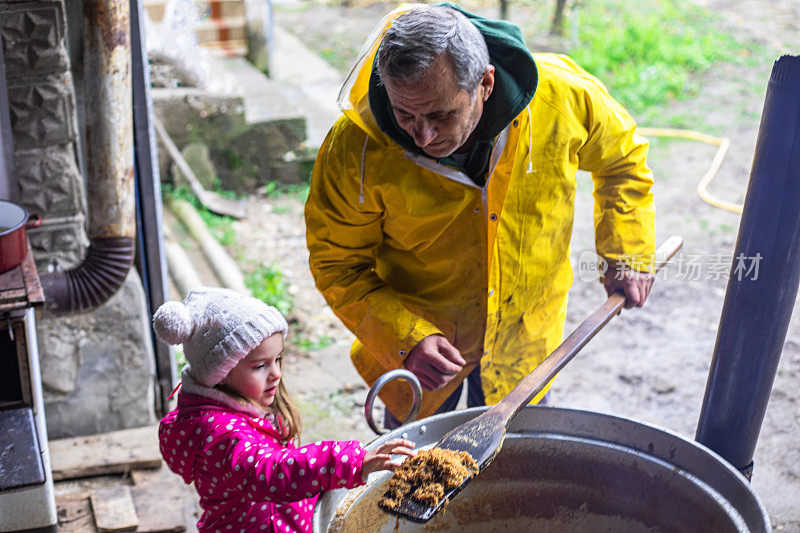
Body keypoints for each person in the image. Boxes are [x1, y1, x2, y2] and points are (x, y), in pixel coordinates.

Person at [304, 3, 656, 428]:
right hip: (421, 364)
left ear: (485, 83)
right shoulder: (355, 148)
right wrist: (404, 339)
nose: (424, 135)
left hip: (525, 342)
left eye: (441, 114)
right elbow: (337, 264)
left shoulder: (560, 97)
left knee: (521, 469)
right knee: (419, 479)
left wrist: (628, 250)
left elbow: (622, 158)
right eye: (405, 114)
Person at [153, 287, 415, 532]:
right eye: (260, 366)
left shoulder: (245, 405)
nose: (276, 374)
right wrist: (348, 461)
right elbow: (271, 472)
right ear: (219, 373)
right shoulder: (221, 434)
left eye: (278, 359)